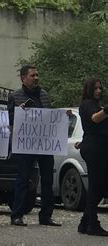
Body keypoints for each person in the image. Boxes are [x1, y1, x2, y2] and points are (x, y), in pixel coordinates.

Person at [8, 65, 61, 227]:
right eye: (32, 75)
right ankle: (17, 214)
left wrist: (62, 116)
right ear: (23, 78)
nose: (36, 78)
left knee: (47, 179)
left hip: (44, 143)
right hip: (26, 144)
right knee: (23, 179)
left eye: (37, 75)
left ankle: (46, 215)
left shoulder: (43, 94)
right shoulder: (15, 96)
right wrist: (19, 112)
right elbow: (9, 119)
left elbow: (49, 116)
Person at [77, 78, 108, 236]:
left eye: (100, 88)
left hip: (99, 148)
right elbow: (95, 119)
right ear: (89, 89)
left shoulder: (96, 105)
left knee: (100, 187)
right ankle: (92, 224)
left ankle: (85, 222)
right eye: (96, 88)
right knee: (96, 187)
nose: (99, 91)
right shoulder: (87, 104)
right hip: (95, 149)